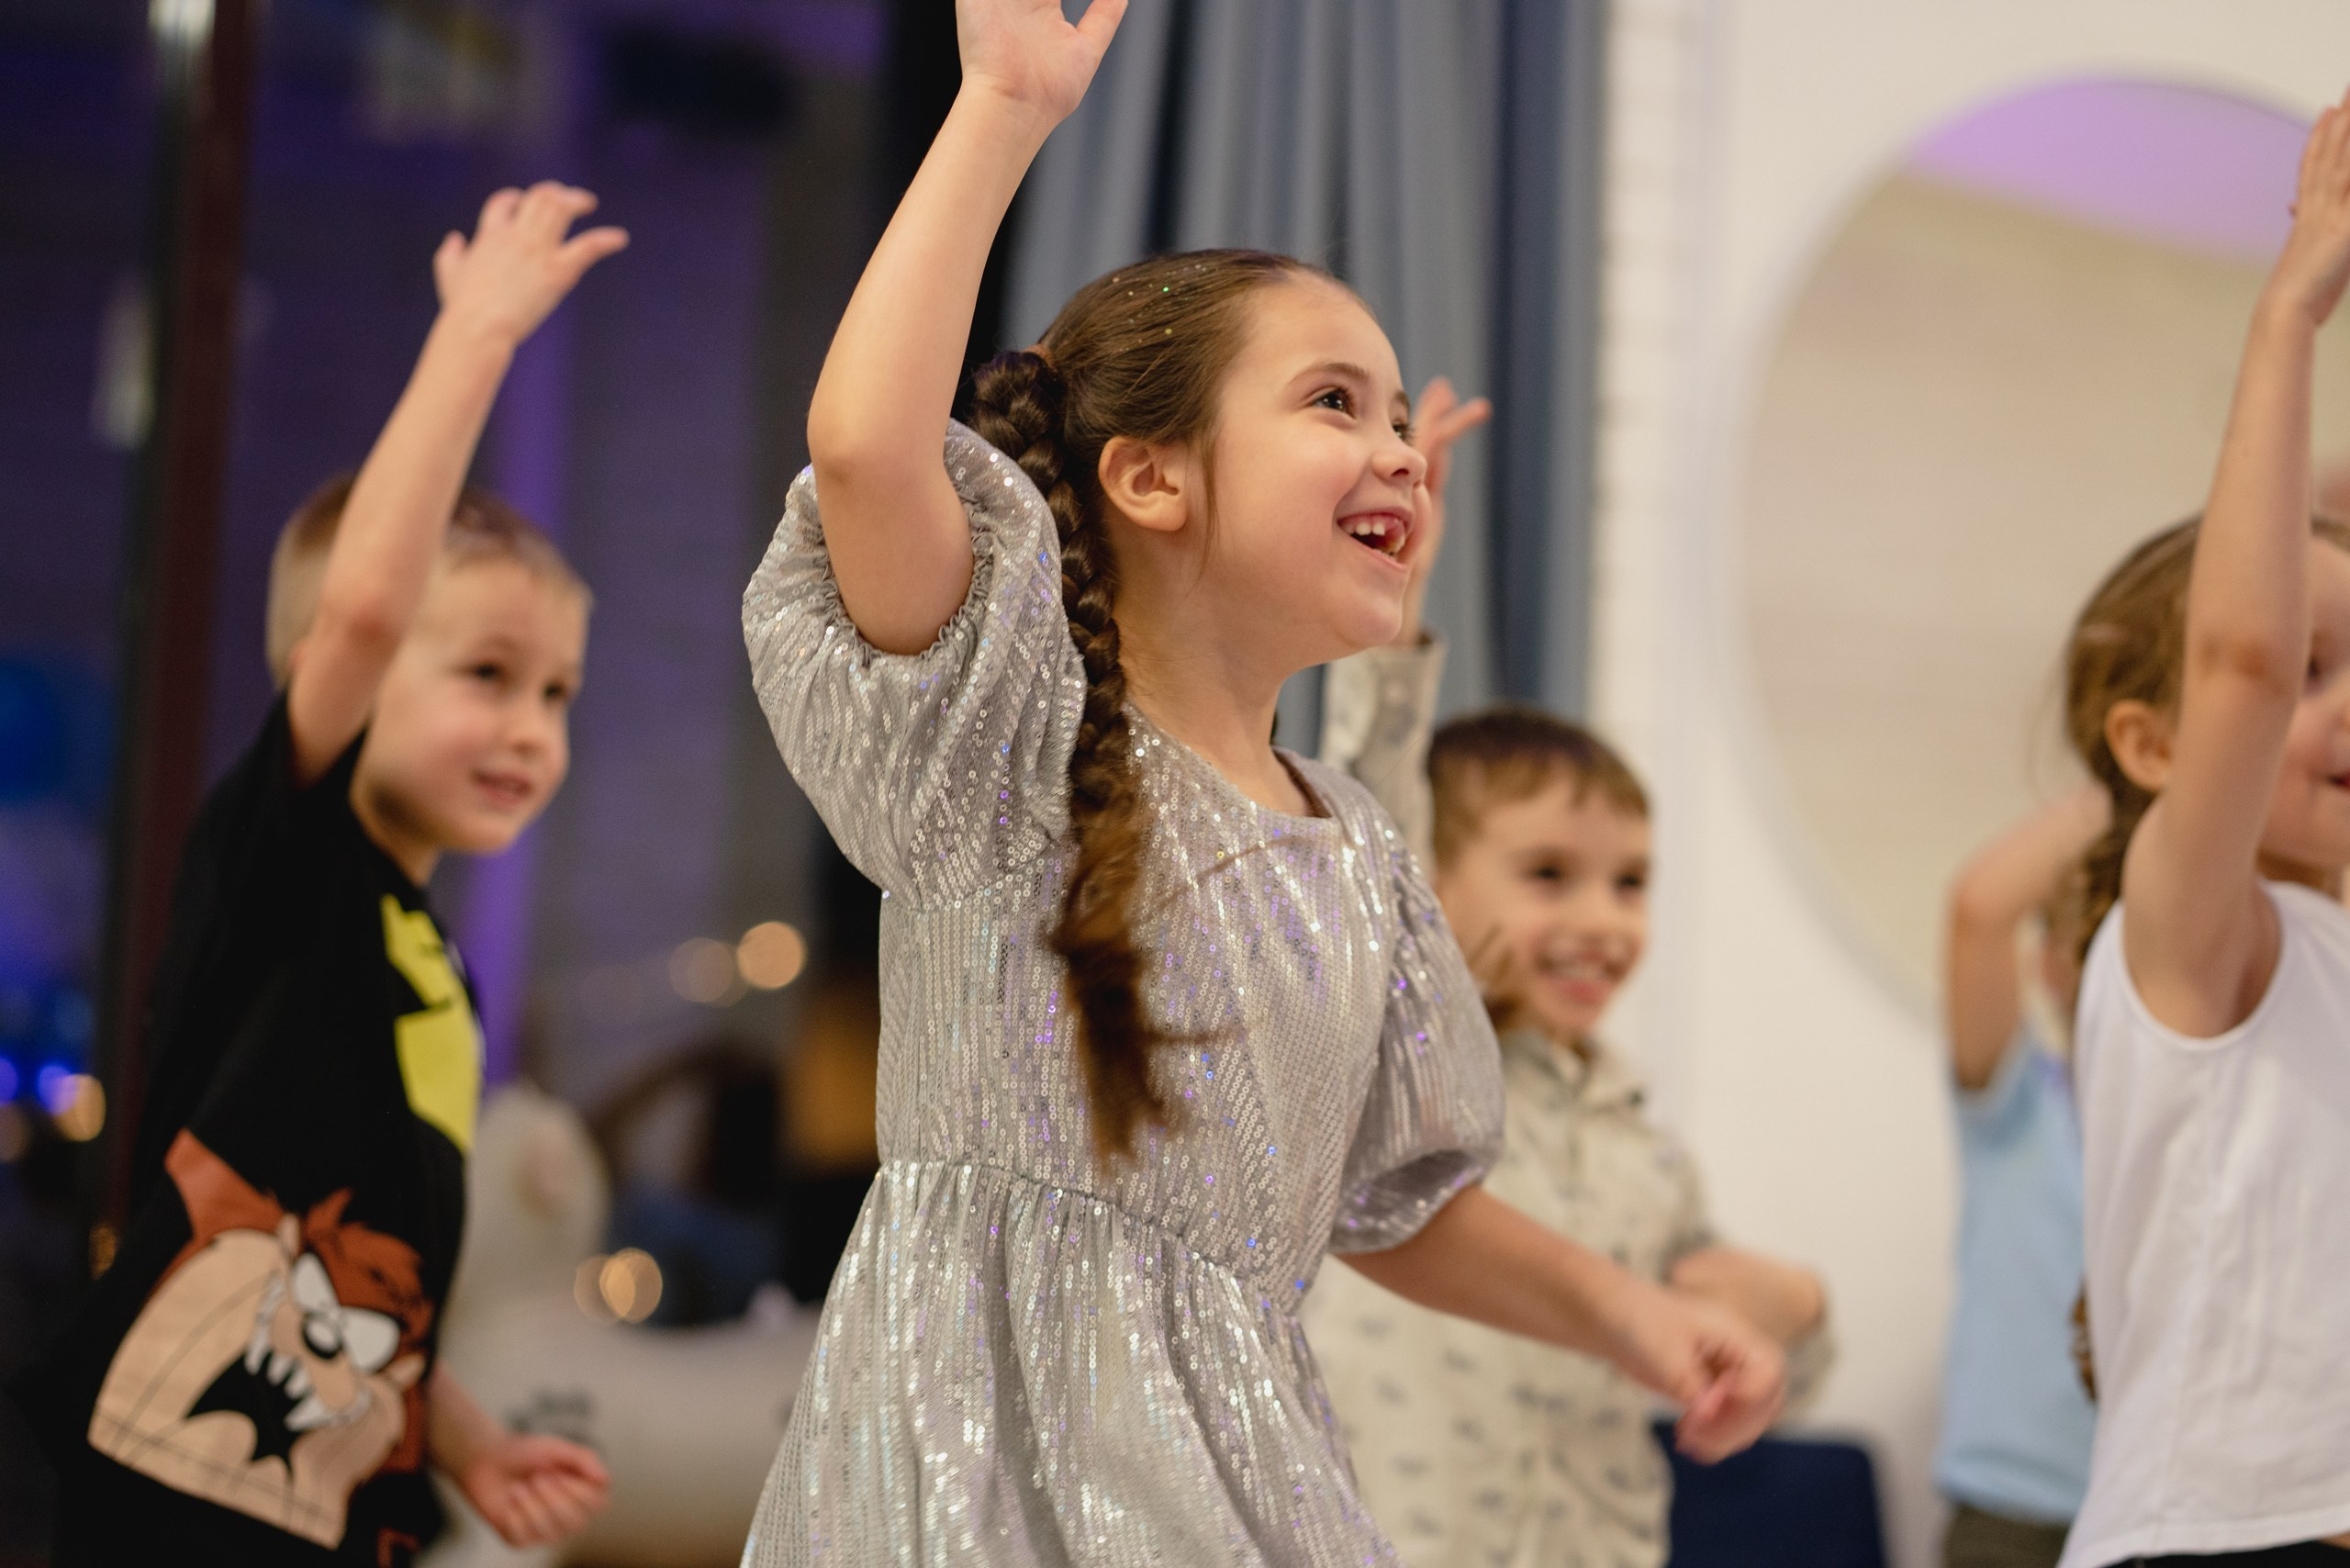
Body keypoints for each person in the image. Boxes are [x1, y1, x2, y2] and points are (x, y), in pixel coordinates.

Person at [733, 4, 1785, 1563]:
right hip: (970, 1498)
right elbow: (870, 450)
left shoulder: (1356, 846)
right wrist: (1003, 115)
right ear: (1151, 476)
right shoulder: (1005, 747)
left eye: (1392, 410)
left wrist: (1635, 1316)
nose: (1400, 452)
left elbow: (1398, 1198)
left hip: (1248, 1485)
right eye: (1330, 403)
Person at [12, 183, 623, 1567]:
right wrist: (475, 339)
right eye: (487, 674)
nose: (533, 728)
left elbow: (364, 1280)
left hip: (339, 1513)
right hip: (178, 1495)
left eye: (560, 693)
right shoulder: (291, 870)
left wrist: (466, 1440)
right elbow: (362, 607)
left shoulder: (432, 962)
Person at [1306, 431, 1831, 1567]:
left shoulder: (1644, 1145)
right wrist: (1392, 612)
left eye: (1630, 882)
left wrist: (1789, 1307)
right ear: (1428, 879)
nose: (1601, 919)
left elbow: (1735, 1347)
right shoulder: (1399, 1080)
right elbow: (1368, 807)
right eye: (1549, 875)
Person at [2053, 96, 2350, 1568]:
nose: (2335, 702)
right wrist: (2292, 314)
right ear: (2151, 748)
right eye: (2314, 670)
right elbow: (2239, 650)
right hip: (2222, 1543)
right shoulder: (2189, 938)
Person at [1934, 788, 2107, 1568]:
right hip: (2012, 1508)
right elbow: (1981, 906)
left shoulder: (2205, 1120)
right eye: (2097, 941)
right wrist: (2166, 770)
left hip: (2151, 1507)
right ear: (2051, 966)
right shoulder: (2017, 1105)